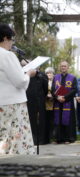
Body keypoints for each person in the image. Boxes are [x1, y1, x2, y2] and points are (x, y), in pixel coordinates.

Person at [0, 23, 36, 154]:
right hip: (12, 104)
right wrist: (28, 74)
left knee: (3, 139)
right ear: (5, 38)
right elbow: (20, 81)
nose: (12, 43)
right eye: (11, 39)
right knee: (16, 141)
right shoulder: (7, 55)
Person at [51, 61, 77, 144]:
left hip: (68, 102)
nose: (63, 67)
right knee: (58, 120)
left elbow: (74, 90)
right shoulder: (56, 77)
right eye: (62, 66)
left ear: (68, 67)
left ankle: (68, 138)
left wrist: (65, 97)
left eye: (65, 66)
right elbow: (52, 89)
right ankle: (58, 138)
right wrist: (57, 97)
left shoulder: (72, 78)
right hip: (58, 102)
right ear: (60, 67)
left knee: (68, 120)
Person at [26, 68, 48, 145]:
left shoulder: (42, 75)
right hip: (29, 101)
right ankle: (33, 139)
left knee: (41, 119)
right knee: (31, 120)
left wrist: (41, 97)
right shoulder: (26, 75)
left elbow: (45, 89)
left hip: (40, 100)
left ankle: (42, 140)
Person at [45, 67, 55, 143]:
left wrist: (53, 96)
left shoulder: (56, 82)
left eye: (50, 73)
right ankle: (47, 136)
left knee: (53, 120)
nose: (49, 74)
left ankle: (53, 136)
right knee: (47, 120)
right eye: (47, 73)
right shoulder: (44, 81)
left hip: (54, 103)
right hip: (46, 103)